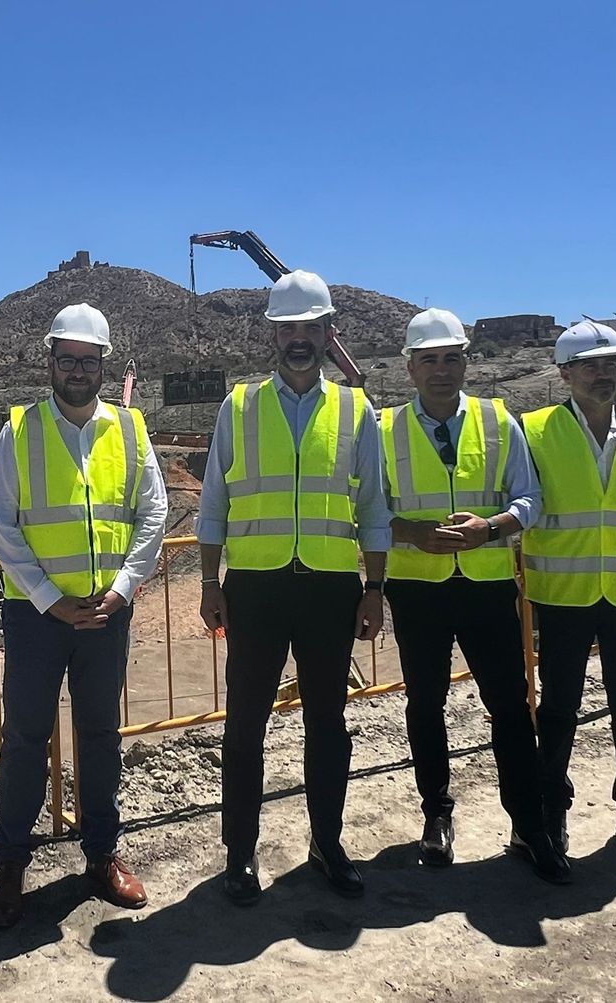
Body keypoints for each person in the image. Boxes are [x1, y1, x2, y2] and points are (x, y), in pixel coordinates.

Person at [197, 270, 389, 906]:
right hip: (254, 586)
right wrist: (208, 580)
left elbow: (376, 509)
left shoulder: (355, 409)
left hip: (331, 589)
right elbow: (215, 500)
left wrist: (374, 587)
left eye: (312, 327)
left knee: (328, 725)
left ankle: (327, 843)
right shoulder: (240, 405)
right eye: (290, 329)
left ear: (330, 333)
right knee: (245, 725)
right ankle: (240, 852)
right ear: (273, 336)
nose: (300, 339)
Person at [0, 302, 168, 927]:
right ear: (52, 360)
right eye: (68, 359)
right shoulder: (19, 432)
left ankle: (101, 855)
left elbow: (153, 515)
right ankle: (12, 866)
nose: (78, 371)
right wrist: (49, 598)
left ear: (103, 365)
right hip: (39, 618)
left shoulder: (132, 431)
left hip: (105, 614)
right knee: (25, 740)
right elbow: (0, 526)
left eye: (88, 361)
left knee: (99, 737)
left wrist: (123, 588)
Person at [381, 308, 570, 884]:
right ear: (410, 368)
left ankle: (530, 826)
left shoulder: (498, 420)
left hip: (487, 586)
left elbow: (530, 499)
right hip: (417, 588)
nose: (442, 370)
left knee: (511, 707)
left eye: (452, 358)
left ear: (467, 361)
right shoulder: (383, 429)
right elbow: (364, 508)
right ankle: (436, 815)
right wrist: (412, 532)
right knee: (425, 706)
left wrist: (489, 528)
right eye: (430, 361)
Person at [521, 320, 616, 869]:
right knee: (559, 709)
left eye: (610, 363)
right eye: (589, 365)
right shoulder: (535, 431)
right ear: (565, 373)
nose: (602, 373)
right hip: (563, 592)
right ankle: (550, 813)